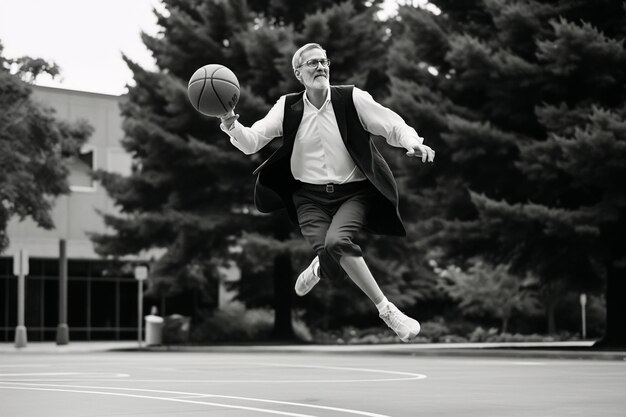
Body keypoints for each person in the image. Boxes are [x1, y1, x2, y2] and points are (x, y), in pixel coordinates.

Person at [219, 43, 435, 342]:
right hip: (308, 197)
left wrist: (412, 142)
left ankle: (386, 310)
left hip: (354, 193)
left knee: (337, 242)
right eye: (312, 63)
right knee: (331, 255)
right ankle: (322, 265)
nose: (320, 67)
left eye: (323, 61)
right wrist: (231, 123)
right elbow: (251, 141)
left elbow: (392, 125)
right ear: (299, 73)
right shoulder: (287, 106)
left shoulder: (351, 98)